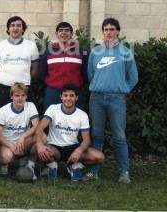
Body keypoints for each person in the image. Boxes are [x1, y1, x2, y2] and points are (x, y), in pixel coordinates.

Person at [86, 18, 138, 183]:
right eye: (106, 29)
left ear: (118, 32)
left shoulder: (126, 52)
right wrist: (99, 85)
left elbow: (133, 77)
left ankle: (124, 173)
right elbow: (90, 75)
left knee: (119, 136)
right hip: (97, 99)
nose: (109, 32)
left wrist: (123, 89)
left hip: (116, 100)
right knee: (96, 135)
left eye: (112, 29)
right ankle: (93, 171)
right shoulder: (95, 52)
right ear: (103, 32)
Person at [34, 85, 104, 181]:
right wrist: (39, 145)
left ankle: (74, 165)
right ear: (61, 97)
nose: (68, 98)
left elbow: (87, 140)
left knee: (99, 156)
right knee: (40, 151)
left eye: (71, 96)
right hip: (55, 148)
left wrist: (79, 151)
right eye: (65, 95)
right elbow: (39, 127)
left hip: (72, 148)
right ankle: (52, 165)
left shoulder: (82, 115)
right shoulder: (53, 109)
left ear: (76, 98)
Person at [0, 16, 39, 109]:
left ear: (23, 29)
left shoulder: (31, 46)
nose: (15, 28)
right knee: (1, 118)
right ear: (8, 29)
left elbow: (34, 70)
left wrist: (21, 81)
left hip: (24, 89)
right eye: (12, 25)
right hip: (4, 89)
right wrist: (7, 78)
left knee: (25, 118)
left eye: (18, 25)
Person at [39, 21, 87, 111]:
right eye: (61, 30)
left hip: (74, 93)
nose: (64, 33)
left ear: (71, 33)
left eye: (67, 30)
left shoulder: (80, 51)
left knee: (75, 121)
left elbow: (84, 73)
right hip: (53, 92)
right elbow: (42, 73)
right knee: (50, 121)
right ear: (56, 34)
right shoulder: (48, 51)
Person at [0, 83, 39, 178]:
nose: (20, 98)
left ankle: (30, 165)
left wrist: (23, 137)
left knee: (42, 137)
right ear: (11, 96)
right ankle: (3, 164)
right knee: (7, 157)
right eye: (17, 95)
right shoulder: (3, 111)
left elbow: (36, 126)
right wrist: (10, 145)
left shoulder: (30, 106)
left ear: (26, 96)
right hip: (8, 142)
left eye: (23, 95)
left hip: (23, 141)